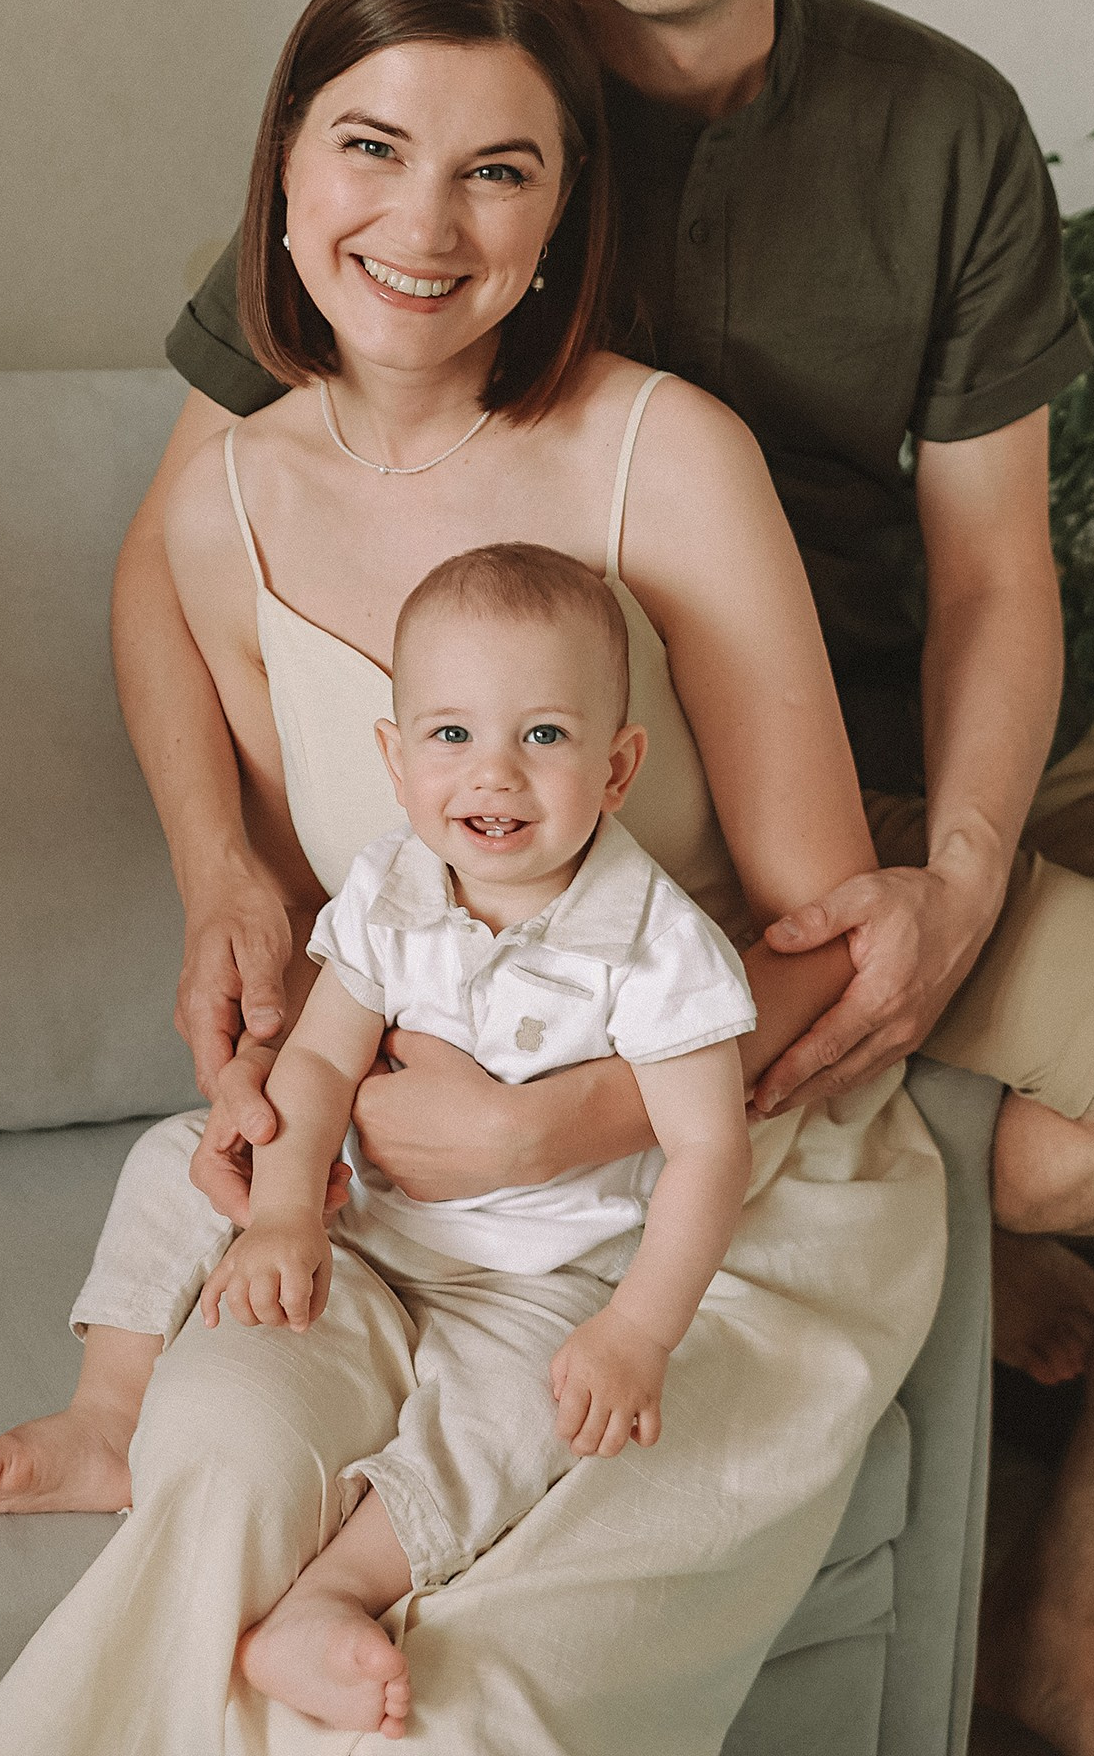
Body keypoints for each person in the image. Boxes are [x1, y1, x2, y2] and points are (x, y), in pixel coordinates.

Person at [102, 0, 1094, 1756]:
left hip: (922, 735)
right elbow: (182, 556)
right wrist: (225, 874)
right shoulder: (444, 108)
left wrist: (956, 872)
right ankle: (914, 1198)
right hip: (616, 788)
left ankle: (1052, 1611)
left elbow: (994, 573)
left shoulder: (937, 126)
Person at [0, 0, 947, 1756]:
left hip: (713, 1177)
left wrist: (564, 1121)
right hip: (398, 1188)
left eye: (499, 170)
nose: (424, 223)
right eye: (371, 147)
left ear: (565, 214)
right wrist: (273, 1052)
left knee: (460, 1695)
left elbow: (832, 941)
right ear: (283, 171)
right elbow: (349, 926)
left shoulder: (668, 455)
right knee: (222, 1462)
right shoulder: (225, 505)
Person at [203, 544, 756, 1740]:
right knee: (175, 1163)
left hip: (537, 1273)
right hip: (368, 1223)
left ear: (616, 768)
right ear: (395, 758)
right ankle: (108, 1406)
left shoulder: (658, 945)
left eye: (543, 735)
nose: (493, 771)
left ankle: (338, 1590)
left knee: (524, 1414)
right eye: (449, 734)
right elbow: (317, 1061)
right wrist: (288, 1209)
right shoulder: (390, 886)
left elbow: (712, 1151)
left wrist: (637, 1329)